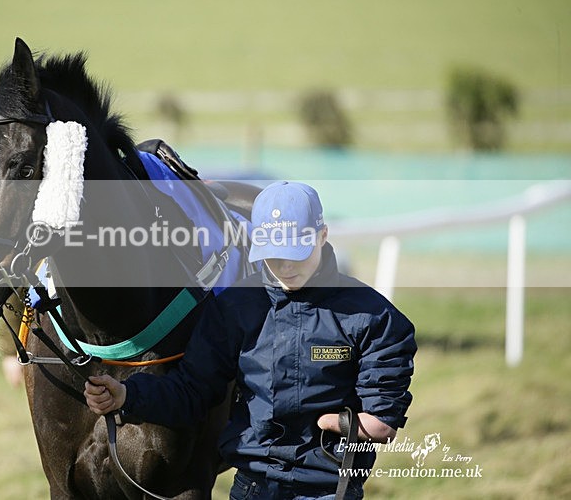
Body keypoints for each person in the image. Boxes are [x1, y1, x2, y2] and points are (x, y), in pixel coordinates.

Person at [84, 181, 416, 499]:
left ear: (323, 235)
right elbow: (192, 391)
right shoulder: (233, 307)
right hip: (253, 487)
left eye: (295, 252)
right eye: (274, 254)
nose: (285, 266)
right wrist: (127, 395)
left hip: (331, 489)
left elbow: (382, 421)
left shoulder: (376, 317)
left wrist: (339, 423)